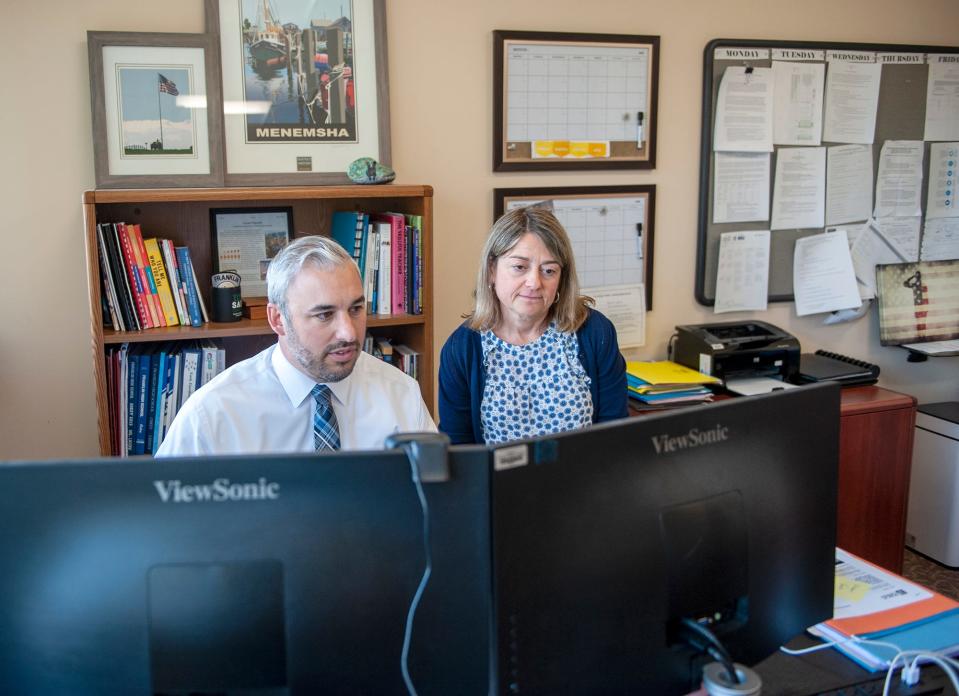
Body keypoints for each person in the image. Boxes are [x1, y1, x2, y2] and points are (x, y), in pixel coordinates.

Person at [157, 236, 435, 456]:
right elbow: (163, 521)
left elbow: (436, 506)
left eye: (356, 309)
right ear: (278, 319)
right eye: (324, 315)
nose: (348, 333)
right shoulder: (214, 414)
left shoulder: (401, 395)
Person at [438, 206, 628, 445]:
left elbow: (615, 435)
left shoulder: (595, 332)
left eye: (549, 270)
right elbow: (459, 451)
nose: (534, 282)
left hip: (584, 479)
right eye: (519, 267)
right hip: (497, 482)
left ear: (561, 279)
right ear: (492, 270)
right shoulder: (462, 348)